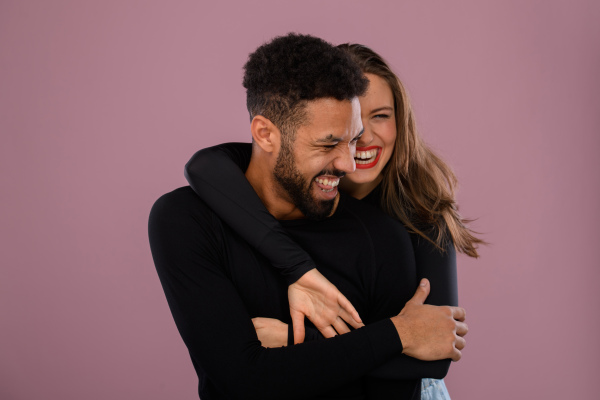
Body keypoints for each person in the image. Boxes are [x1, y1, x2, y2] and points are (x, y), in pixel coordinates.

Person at [149, 33, 467, 400]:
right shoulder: (195, 213)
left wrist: (293, 341)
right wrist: (300, 269)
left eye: (361, 131)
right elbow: (242, 378)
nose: (350, 160)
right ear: (265, 134)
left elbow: (428, 355)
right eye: (330, 142)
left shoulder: (406, 225)